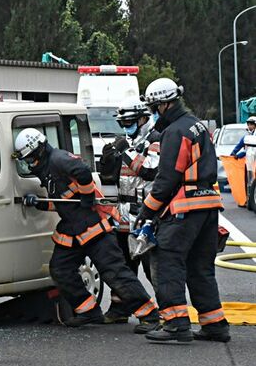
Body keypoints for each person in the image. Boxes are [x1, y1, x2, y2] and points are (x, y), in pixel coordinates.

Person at [17, 128, 159, 332]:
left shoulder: (58, 159)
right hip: (73, 229)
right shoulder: (48, 167)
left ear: (38, 150)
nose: (30, 163)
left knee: (115, 273)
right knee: (61, 270)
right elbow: (64, 201)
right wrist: (40, 203)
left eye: (30, 158)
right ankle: (88, 310)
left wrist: (86, 195)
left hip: (94, 227)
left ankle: (149, 315)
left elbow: (82, 172)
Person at [135, 78, 230, 343]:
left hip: (184, 209)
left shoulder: (176, 131)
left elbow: (167, 179)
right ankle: (215, 325)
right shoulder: (197, 124)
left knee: (167, 264)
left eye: (155, 107)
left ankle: (176, 325)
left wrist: (146, 211)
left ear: (164, 104)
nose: (154, 113)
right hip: (208, 206)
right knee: (200, 268)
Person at [98, 98, 160, 323]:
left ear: (143, 118)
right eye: (123, 123)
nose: (126, 128)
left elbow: (149, 171)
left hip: (146, 215)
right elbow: (114, 179)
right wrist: (108, 162)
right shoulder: (126, 141)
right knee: (122, 266)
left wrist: (126, 152)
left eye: (130, 122)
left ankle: (167, 312)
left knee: (153, 269)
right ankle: (119, 308)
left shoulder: (154, 140)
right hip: (123, 213)